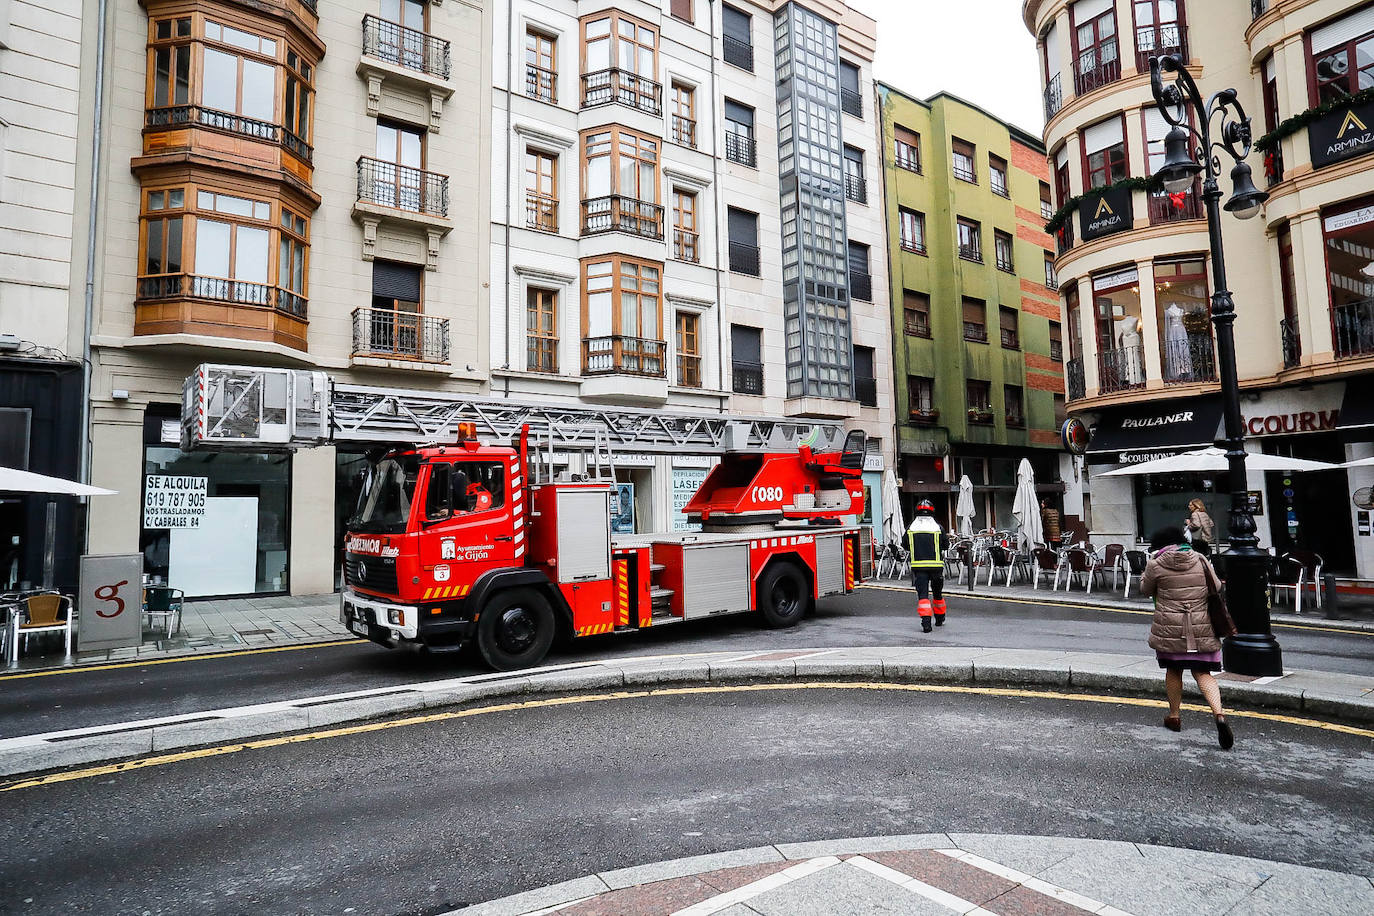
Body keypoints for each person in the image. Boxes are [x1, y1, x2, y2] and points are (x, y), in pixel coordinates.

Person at [1140, 526, 1234, 750]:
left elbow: (1145, 590)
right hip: (1201, 627)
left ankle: (1174, 716)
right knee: (1203, 672)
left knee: (1174, 671)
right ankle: (1219, 715)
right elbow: (1218, 586)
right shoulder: (1200, 559)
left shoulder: (1156, 562)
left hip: (1170, 629)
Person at [906, 499, 948, 633]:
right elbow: (946, 545)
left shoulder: (911, 528)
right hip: (936, 567)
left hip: (919, 568)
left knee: (923, 596)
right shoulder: (938, 528)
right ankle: (940, 618)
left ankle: (926, 624)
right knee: (937, 594)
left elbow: (905, 545)